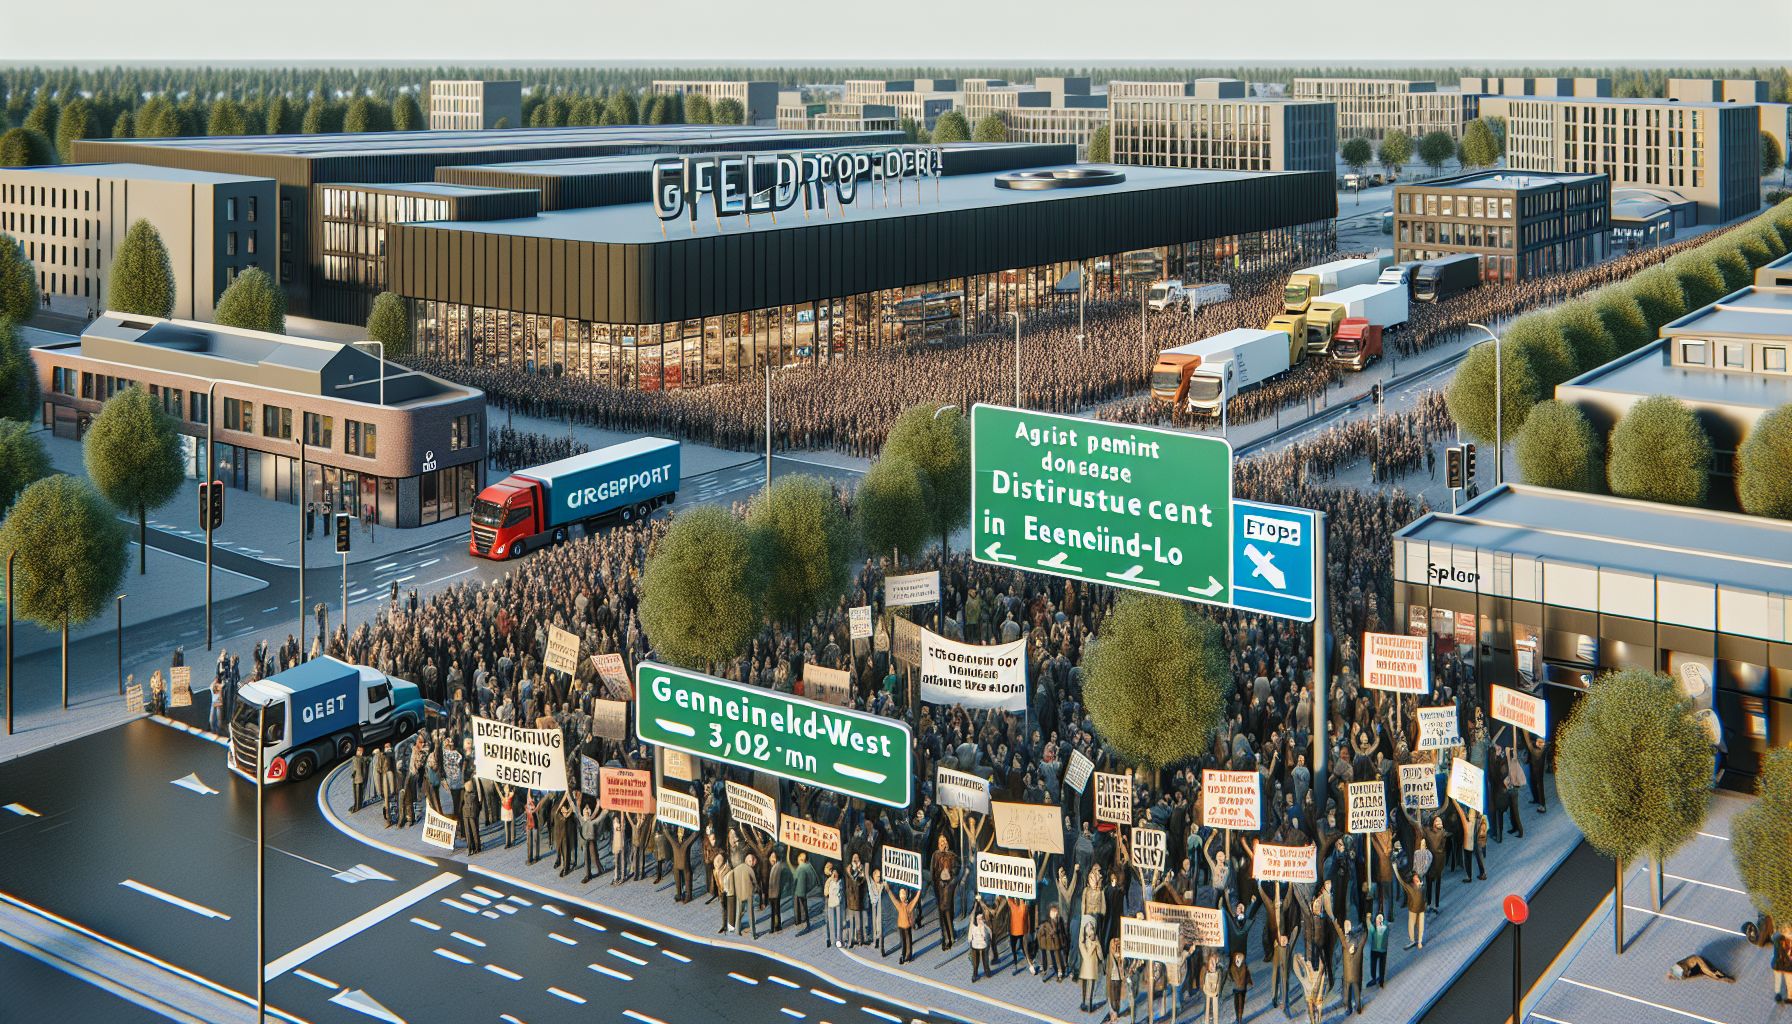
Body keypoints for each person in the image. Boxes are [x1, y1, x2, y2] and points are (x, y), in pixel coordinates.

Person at [1333, 916, 1366, 1014]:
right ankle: (1357, 1008)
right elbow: (1363, 938)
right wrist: (1363, 929)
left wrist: (1335, 923)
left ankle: (1350, 1009)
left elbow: (1341, 934)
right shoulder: (1357, 947)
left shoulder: (1346, 946)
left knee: (1348, 995)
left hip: (1348, 977)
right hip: (1353, 977)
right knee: (1354, 993)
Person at [889, 880, 921, 964]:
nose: (902, 897)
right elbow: (892, 898)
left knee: (908, 941)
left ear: (906, 895)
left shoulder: (909, 906)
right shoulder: (899, 905)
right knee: (903, 942)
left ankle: (908, 956)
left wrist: (919, 891)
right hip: (901, 926)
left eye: (903, 895)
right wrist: (888, 888)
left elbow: (915, 900)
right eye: (901, 895)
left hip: (907, 927)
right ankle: (903, 955)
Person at [1078, 917, 1104, 1011]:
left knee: (1090, 986)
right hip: (1087, 966)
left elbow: (1100, 955)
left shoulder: (1094, 940)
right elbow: (1087, 955)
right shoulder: (1084, 942)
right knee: (1086, 985)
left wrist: (1098, 946)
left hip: (1091, 966)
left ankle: (1088, 1004)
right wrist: (1094, 945)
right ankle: (1085, 1003)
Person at [1293, 955, 1328, 1024]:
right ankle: (1314, 1020)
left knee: (1315, 1002)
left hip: (1315, 989)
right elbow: (1296, 964)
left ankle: (1316, 1019)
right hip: (1311, 990)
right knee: (1312, 1003)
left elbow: (1322, 976)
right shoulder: (1306, 978)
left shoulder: (1317, 973)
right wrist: (1300, 959)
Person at [1398, 870, 1426, 950]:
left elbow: (1424, 896)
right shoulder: (1410, 887)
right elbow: (1401, 881)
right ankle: (1412, 940)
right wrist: (1395, 868)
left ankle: (1419, 941)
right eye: (1414, 877)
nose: (1416, 878)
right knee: (1411, 924)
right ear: (1412, 879)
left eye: (1417, 877)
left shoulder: (1422, 886)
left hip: (1421, 909)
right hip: (1413, 909)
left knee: (1420, 925)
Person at [1038, 903, 1067, 981]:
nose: (1053, 913)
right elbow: (1042, 932)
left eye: (1055, 912)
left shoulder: (1058, 920)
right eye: (1052, 912)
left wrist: (1063, 940)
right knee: (1051, 957)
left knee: (1058, 957)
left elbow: (1060, 931)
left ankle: (1060, 972)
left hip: (1056, 943)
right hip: (1049, 943)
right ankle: (1053, 971)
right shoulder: (1047, 922)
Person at [1667, 954, 1735, 982]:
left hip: (1697, 961)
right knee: (1707, 974)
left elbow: (1685, 974)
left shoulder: (1679, 967)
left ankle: (1723, 977)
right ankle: (1719, 977)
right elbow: (1693, 975)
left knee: (1710, 973)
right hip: (1695, 964)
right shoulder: (1677, 969)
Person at [823, 861, 844, 947]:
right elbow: (826, 893)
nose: (834, 875)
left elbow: (841, 892)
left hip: (837, 903)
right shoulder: (829, 881)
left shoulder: (840, 881)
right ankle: (831, 938)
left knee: (838, 921)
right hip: (830, 902)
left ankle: (838, 939)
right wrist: (830, 880)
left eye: (836, 874)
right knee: (830, 921)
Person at [969, 908, 992, 982]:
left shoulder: (985, 926)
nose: (980, 920)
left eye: (981, 918)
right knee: (975, 959)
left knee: (985, 957)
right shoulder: (973, 926)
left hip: (983, 944)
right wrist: (970, 943)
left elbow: (990, 933)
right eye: (979, 919)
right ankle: (975, 973)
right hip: (975, 944)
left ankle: (987, 970)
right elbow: (970, 936)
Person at [1228, 951, 1252, 1024]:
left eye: (1239, 957)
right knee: (1237, 1003)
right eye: (1237, 958)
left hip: (1242, 988)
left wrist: (1249, 982)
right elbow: (1230, 977)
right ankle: (1238, 1018)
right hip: (1236, 989)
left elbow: (1247, 975)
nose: (1238, 959)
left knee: (1241, 1003)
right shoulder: (1233, 967)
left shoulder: (1244, 967)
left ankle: (1239, 1018)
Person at [1368, 913, 1390, 988]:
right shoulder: (1375, 927)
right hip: (1376, 950)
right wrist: (1368, 919)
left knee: (1380, 966)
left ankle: (1379, 980)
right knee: (1375, 966)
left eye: (1380, 919)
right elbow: (1370, 927)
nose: (1378, 921)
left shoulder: (1385, 927)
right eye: (1377, 919)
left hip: (1381, 951)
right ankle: (1376, 979)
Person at [1201, 953, 1222, 1024]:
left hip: (1215, 993)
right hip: (1207, 992)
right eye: (1211, 962)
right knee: (1207, 1006)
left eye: (1214, 963)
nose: (1212, 965)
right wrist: (1204, 989)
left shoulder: (1218, 972)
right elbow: (1202, 981)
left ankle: (1215, 1022)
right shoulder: (1205, 971)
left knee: (1215, 1007)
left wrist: (1216, 991)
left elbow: (1219, 983)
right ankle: (1207, 1021)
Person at [1774, 925, 1792, 1003]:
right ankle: (1779, 994)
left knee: (1787, 980)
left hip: (1785, 964)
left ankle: (1789, 996)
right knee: (1779, 978)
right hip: (1780, 963)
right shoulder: (1779, 940)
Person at [350, 746, 369, 812]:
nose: (358, 752)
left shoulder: (362, 759)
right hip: (355, 778)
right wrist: (353, 774)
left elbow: (364, 770)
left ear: (362, 752)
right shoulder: (354, 758)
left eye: (360, 751)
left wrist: (363, 777)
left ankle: (358, 806)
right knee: (355, 792)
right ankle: (355, 805)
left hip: (360, 778)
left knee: (359, 793)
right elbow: (353, 768)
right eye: (358, 750)